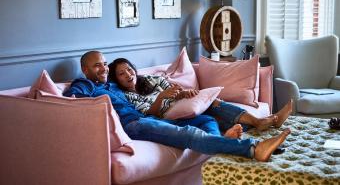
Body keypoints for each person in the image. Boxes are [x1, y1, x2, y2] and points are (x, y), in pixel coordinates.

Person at [64, 50, 291, 162]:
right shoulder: (84, 84)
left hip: (147, 121)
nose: (103, 68)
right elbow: (73, 101)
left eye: (104, 64)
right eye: (97, 66)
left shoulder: (112, 86)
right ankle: (253, 148)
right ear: (85, 70)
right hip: (132, 126)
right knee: (189, 134)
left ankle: (243, 138)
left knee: (206, 117)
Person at [108, 58, 293, 138]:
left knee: (213, 102)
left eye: (129, 70)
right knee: (211, 112)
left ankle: (260, 122)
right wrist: (161, 98)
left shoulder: (150, 79)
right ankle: (261, 123)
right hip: (167, 116)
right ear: (116, 79)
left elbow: (174, 90)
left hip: (181, 104)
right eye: (121, 74)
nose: (128, 74)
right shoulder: (126, 96)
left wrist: (184, 93)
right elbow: (149, 114)